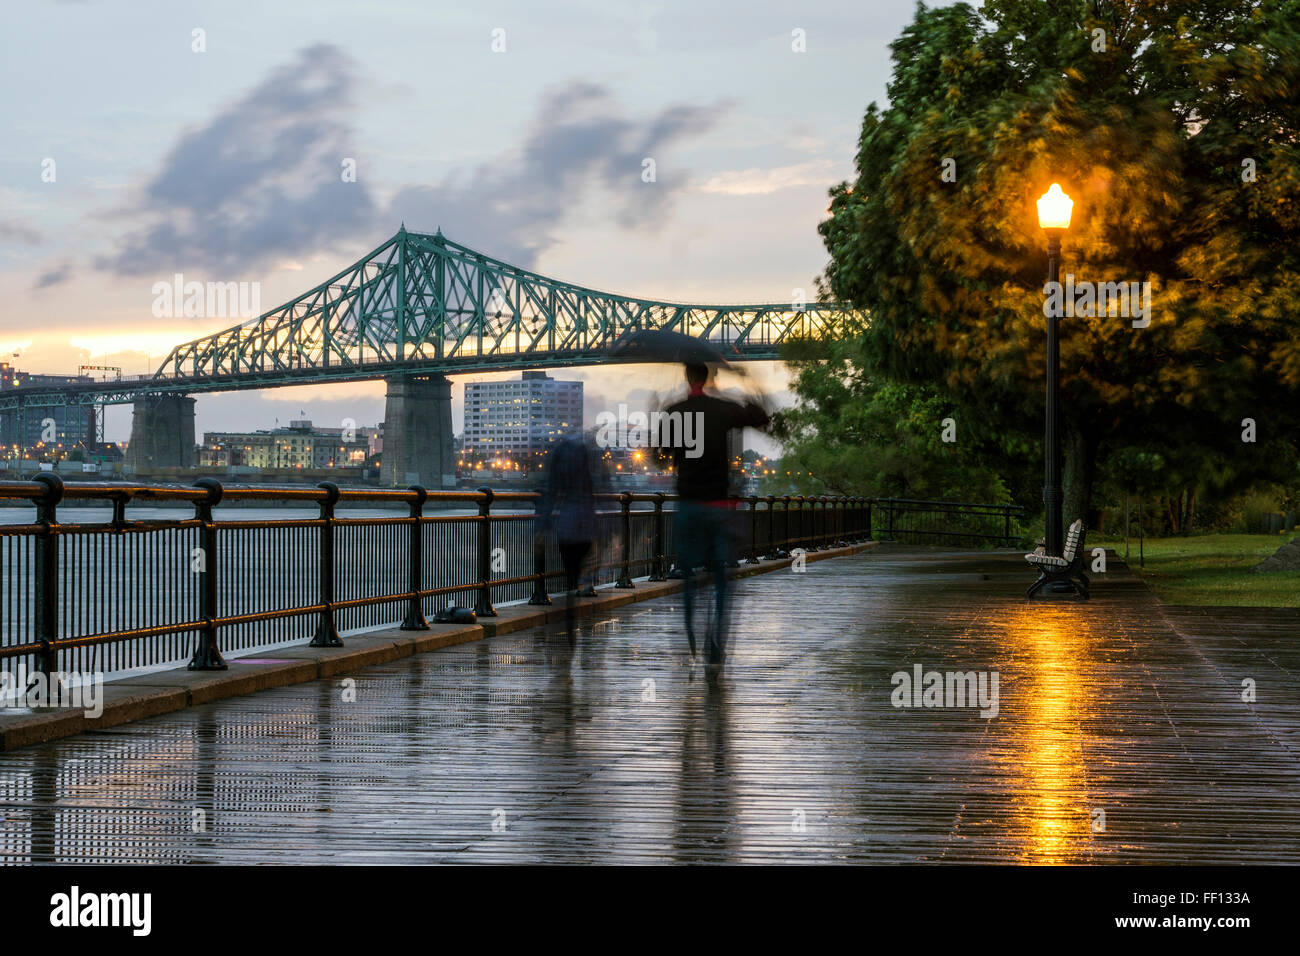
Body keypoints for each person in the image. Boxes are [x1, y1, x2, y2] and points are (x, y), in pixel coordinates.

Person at [664, 362, 769, 672]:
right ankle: (716, 646)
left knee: (687, 576)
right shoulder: (723, 409)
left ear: (687, 377)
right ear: (708, 377)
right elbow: (761, 418)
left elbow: (662, 455)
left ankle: (692, 637)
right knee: (723, 578)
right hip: (720, 507)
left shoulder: (675, 411)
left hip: (689, 505)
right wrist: (750, 383)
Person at [535, 435, 598, 645]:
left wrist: (542, 527)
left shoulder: (559, 456)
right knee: (581, 572)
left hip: (567, 526)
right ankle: (582, 596)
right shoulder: (588, 457)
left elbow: (551, 494)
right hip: (586, 526)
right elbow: (600, 491)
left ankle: (570, 620)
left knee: (570, 575)